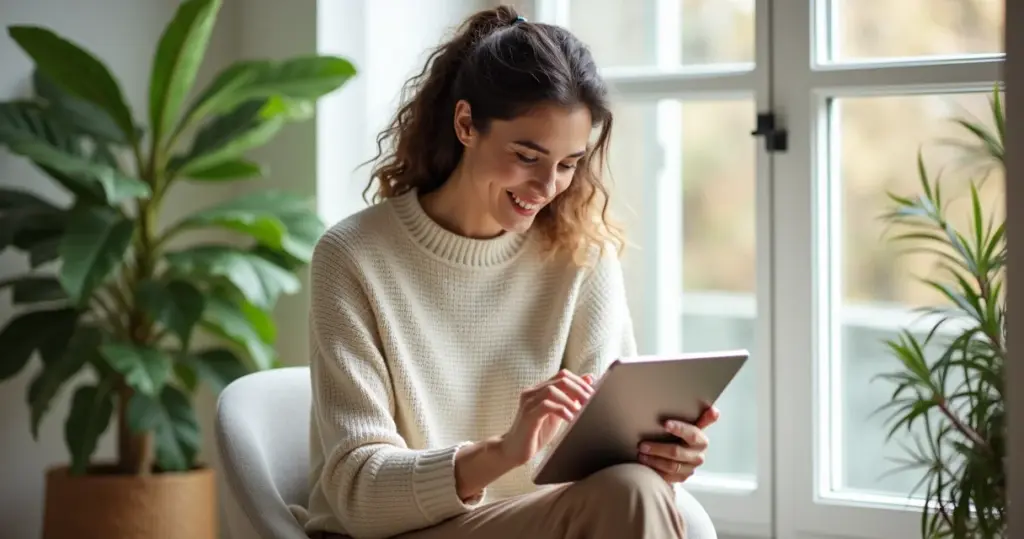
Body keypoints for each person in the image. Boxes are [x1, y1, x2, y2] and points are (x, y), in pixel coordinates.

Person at [299, 5, 721, 539]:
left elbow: (609, 464)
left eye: (569, 164)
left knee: (637, 487)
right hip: (397, 532)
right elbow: (358, 493)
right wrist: (502, 453)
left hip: (540, 524)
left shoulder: (581, 256)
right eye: (527, 156)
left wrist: (660, 456)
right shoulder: (353, 256)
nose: (548, 186)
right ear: (466, 124)